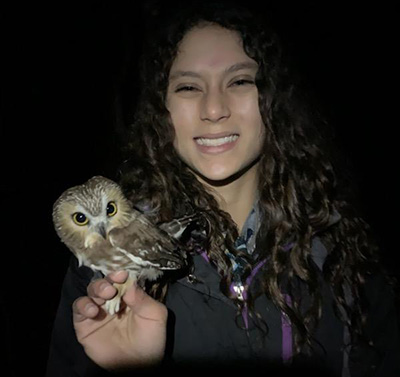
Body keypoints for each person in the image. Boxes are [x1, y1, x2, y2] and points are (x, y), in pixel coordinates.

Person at [46, 1, 399, 376]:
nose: (214, 109)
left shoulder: (341, 250)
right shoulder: (103, 266)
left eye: (239, 81)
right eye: (188, 86)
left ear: (273, 100)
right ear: (161, 109)